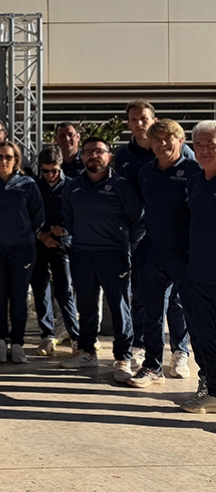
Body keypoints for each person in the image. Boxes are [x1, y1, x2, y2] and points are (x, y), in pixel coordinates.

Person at [114, 99, 194, 372]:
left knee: (180, 304)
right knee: (147, 302)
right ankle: (148, 355)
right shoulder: (130, 161)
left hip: (182, 247)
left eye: (144, 118)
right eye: (134, 119)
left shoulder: (189, 164)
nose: (139, 123)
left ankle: (181, 351)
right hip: (146, 242)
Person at [61, 137, 145, 381]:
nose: (93, 155)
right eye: (88, 152)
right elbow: (69, 219)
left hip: (114, 256)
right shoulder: (73, 186)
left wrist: (125, 246)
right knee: (86, 307)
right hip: (82, 254)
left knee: (119, 307)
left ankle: (122, 356)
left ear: (109, 157)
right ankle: (87, 351)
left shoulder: (122, 186)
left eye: (99, 151)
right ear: (82, 157)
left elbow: (138, 220)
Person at [0, 141, 44, 363]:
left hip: (22, 249)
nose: (4, 161)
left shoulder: (28, 184)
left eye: (9, 157)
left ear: (16, 160)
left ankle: (18, 343)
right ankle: (1, 342)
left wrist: (22, 234)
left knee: (19, 296)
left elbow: (38, 216)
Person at [180, 120, 216, 413]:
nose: (205, 149)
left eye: (212, 143)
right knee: (203, 339)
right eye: (200, 144)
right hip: (198, 275)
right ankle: (213, 392)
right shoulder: (194, 181)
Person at [30, 145, 79, 355]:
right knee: (41, 291)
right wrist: (40, 234)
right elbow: (27, 214)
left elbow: (78, 215)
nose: (50, 175)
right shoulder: (34, 186)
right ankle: (47, 334)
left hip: (62, 245)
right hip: (39, 243)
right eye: (46, 171)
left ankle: (75, 336)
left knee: (64, 291)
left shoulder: (71, 186)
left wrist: (64, 230)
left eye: (55, 170)